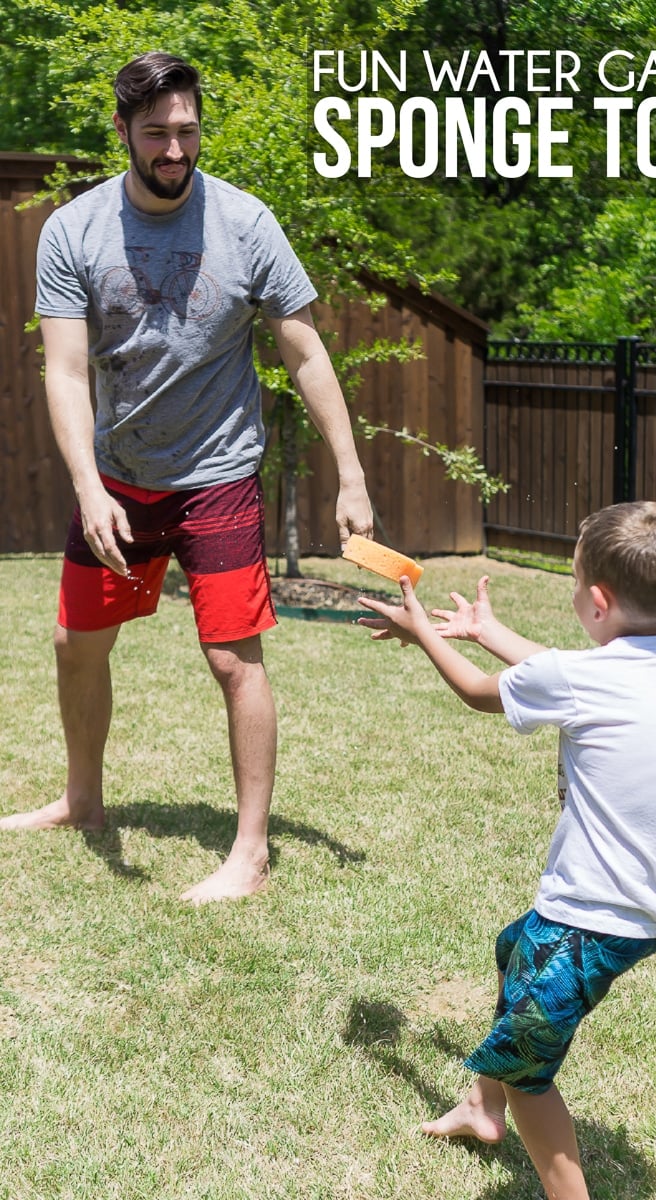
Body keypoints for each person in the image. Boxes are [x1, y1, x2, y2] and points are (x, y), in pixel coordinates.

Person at [0, 51, 373, 903]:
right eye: (158, 133)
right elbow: (64, 372)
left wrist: (350, 473)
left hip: (218, 474)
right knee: (74, 644)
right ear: (124, 131)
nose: (175, 149)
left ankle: (250, 852)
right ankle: (83, 802)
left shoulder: (246, 222)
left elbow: (305, 349)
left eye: (188, 131)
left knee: (234, 659)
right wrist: (90, 487)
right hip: (121, 478)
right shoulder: (74, 230)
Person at [358, 501, 656, 1200]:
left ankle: (539, 1152)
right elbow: (565, 676)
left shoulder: (592, 678)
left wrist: (421, 633)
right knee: (512, 947)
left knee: (531, 1073)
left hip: (592, 915)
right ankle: (480, 1107)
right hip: (644, 905)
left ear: (599, 601)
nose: (572, 592)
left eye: (575, 581)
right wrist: (490, 631)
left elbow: (475, 692)